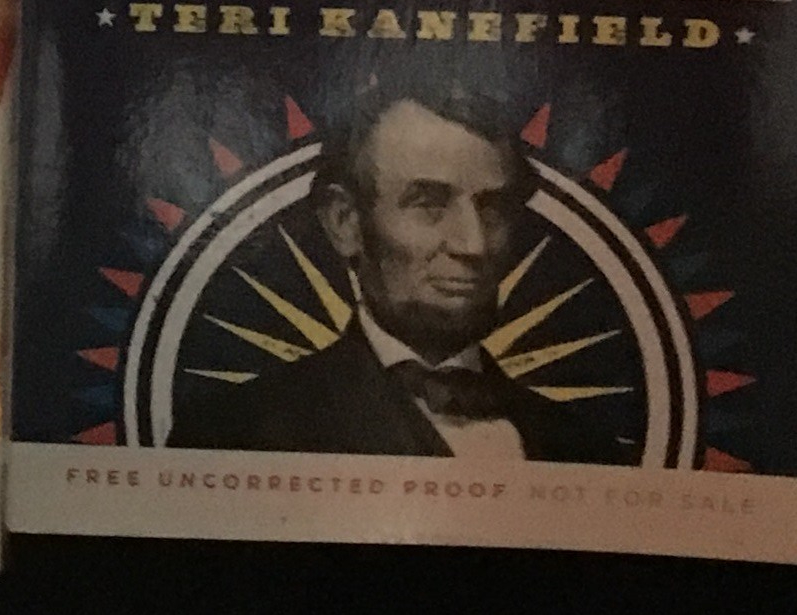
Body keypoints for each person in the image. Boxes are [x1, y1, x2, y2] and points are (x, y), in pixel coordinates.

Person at [176, 87, 602, 461]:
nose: (473, 245)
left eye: (493, 209)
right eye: (429, 203)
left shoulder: (584, 446)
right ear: (345, 222)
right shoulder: (233, 433)